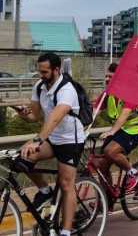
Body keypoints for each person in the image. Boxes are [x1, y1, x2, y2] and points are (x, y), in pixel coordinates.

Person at [16, 53, 85, 236]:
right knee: (23, 158)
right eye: (40, 71)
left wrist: (37, 140)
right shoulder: (39, 87)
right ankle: (45, 190)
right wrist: (25, 115)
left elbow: (55, 118)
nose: (41, 75)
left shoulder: (66, 89)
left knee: (65, 183)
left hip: (71, 140)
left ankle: (66, 231)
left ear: (56, 70)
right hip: (52, 138)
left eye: (45, 72)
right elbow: (36, 116)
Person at [97, 62, 138, 193]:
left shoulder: (131, 92)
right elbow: (94, 109)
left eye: (110, 77)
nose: (107, 79)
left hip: (135, 130)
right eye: (106, 77)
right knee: (101, 166)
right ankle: (107, 200)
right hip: (120, 130)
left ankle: (133, 173)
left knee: (110, 151)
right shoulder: (107, 93)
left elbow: (125, 113)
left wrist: (112, 131)